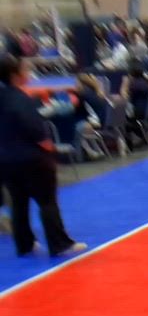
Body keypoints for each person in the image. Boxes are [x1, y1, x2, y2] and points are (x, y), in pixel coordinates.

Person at [0, 54, 87, 256]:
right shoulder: (21, 100)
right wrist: (48, 147)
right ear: (15, 75)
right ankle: (59, 243)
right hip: (31, 159)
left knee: (18, 202)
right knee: (47, 201)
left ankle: (24, 244)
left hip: (6, 160)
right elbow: (36, 130)